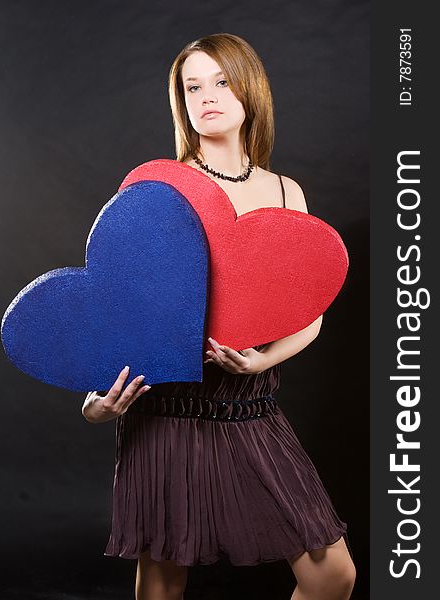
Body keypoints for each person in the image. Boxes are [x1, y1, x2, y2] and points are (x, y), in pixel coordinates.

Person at [82, 33, 356, 600]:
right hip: (167, 410)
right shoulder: (162, 188)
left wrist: (259, 361)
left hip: (248, 407)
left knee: (333, 575)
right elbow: (120, 305)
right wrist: (94, 401)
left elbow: (309, 314)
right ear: (180, 103)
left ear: (249, 90)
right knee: (161, 580)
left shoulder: (286, 193)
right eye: (192, 86)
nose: (207, 96)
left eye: (222, 81)